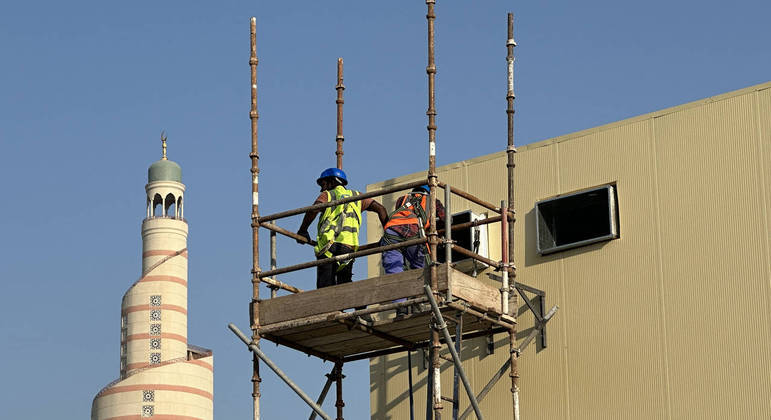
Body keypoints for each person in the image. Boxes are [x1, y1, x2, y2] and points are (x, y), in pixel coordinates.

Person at [297, 168, 388, 291]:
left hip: (329, 246)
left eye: (323, 184)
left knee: (325, 286)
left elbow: (313, 210)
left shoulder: (328, 195)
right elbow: (381, 209)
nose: (321, 189)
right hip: (348, 247)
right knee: (343, 283)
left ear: (332, 182)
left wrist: (303, 230)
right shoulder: (357, 196)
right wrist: (388, 234)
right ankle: (356, 301)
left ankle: (331, 309)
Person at [380, 185, 445, 316]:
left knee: (394, 269)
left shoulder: (402, 199)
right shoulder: (433, 201)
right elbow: (445, 218)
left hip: (391, 233)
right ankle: (417, 303)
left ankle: (401, 307)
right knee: (419, 270)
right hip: (415, 232)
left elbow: (400, 216)